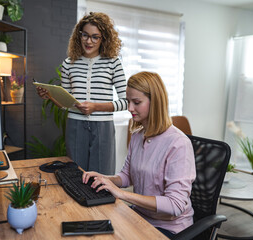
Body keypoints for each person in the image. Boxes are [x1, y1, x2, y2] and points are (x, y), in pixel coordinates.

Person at [82, 71, 196, 238]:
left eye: (136, 102)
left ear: (155, 102)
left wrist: (121, 194)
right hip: (139, 217)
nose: (129, 108)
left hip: (169, 229)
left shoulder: (178, 144)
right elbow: (127, 176)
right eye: (128, 101)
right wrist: (106, 179)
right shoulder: (137, 136)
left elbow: (175, 205)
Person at [36, 12, 127, 175]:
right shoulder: (68, 64)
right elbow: (66, 105)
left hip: (103, 128)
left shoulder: (113, 63)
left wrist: (96, 107)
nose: (88, 41)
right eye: (85, 35)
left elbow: (126, 101)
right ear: (79, 35)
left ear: (103, 39)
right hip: (75, 126)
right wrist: (49, 96)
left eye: (95, 37)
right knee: (76, 175)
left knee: (102, 177)